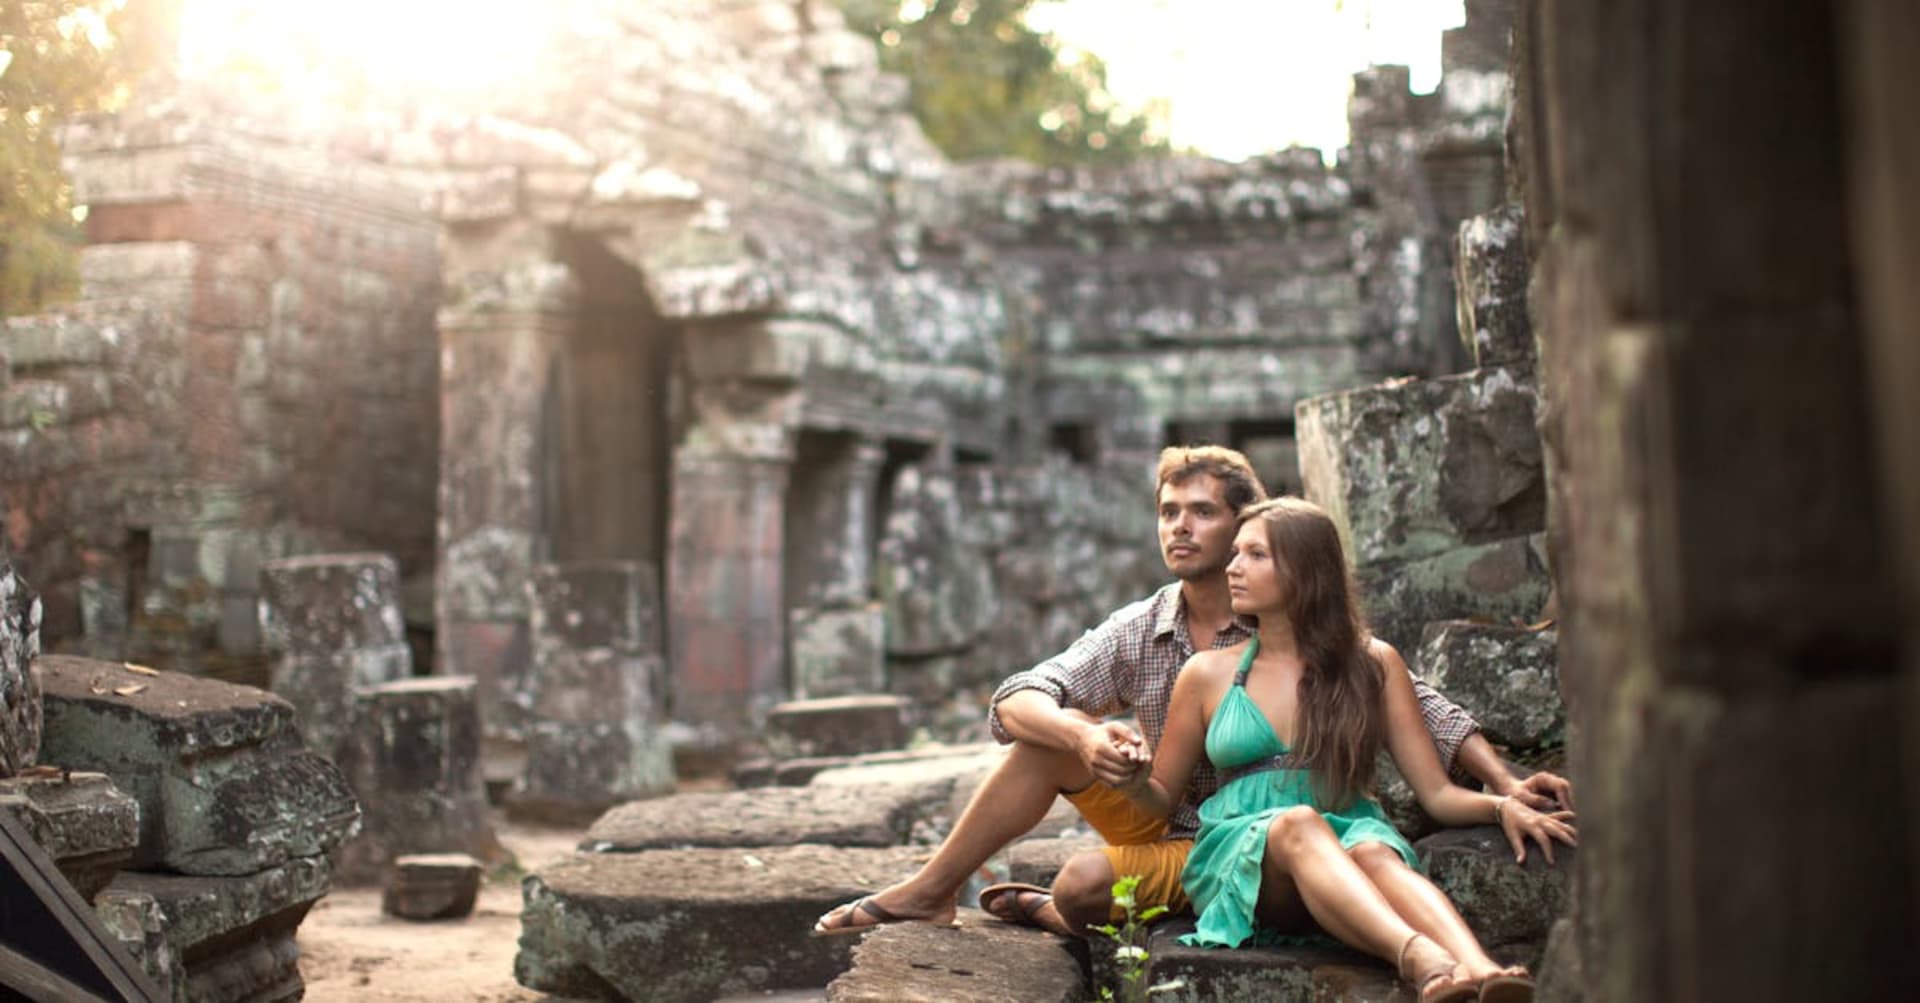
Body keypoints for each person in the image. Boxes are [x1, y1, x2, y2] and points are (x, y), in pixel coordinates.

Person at [812, 446, 1572, 940]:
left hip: (1269, 832)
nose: (1180, 527)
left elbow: (1418, 702)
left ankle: (1070, 913)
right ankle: (930, 889)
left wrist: (1503, 781)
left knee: (1080, 884)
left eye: (1203, 512)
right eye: (1168, 512)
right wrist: (1084, 737)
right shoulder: (1144, 626)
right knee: (1049, 735)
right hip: (1162, 814)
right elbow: (1021, 694)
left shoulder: (1294, 625)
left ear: (1254, 531)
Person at [1115, 496, 1575, 1002]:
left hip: (1350, 836)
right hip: (1240, 855)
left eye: (1255, 555)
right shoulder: (1206, 674)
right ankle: (1421, 959)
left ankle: (1482, 972)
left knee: (1376, 852)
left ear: (1304, 570)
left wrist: (1501, 803)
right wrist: (1135, 781)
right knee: (1297, 824)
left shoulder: (1373, 663)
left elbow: (1437, 795)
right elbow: (1160, 799)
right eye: (1236, 553)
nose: (1233, 567)